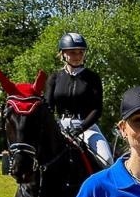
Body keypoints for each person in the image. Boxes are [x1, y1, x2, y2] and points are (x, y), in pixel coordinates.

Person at [47, 32, 113, 168]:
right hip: (60, 127)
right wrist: (54, 127)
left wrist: (81, 128)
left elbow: (97, 109)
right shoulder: (54, 78)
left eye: (80, 52)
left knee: (107, 161)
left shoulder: (93, 78)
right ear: (63, 53)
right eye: (72, 52)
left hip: (87, 127)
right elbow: (48, 107)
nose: (77, 57)